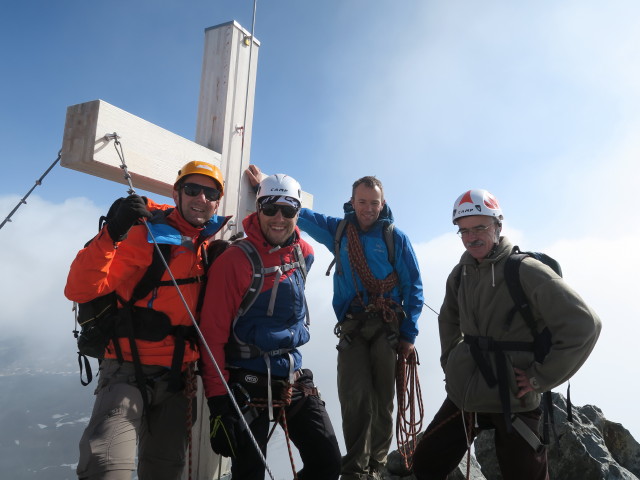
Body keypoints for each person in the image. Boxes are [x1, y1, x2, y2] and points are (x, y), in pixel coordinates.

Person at [244, 167, 422, 480]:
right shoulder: (339, 231)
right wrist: (269, 192)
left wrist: (409, 335)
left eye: (374, 202)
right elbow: (304, 215)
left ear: (383, 204)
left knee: (382, 399)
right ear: (352, 202)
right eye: (362, 201)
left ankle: (375, 467)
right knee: (354, 399)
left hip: (386, 326)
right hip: (353, 326)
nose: (368, 208)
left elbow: (414, 286)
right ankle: (355, 469)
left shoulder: (395, 237)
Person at [411, 189, 602, 480]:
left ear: (498, 226)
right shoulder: (460, 273)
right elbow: (449, 319)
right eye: (463, 231)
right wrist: (451, 362)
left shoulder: (525, 270)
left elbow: (585, 323)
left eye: (480, 228)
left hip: (514, 392)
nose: (471, 237)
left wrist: (542, 376)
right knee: (426, 462)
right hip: (468, 391)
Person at [64, 160, 230, 480]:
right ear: (176, 193)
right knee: (105, 466)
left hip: (179, 379)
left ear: (218, 200)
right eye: (192, 189)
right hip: (126, 370)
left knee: (166, 470)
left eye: (211, 192)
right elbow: (80, 289)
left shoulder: (210, 245)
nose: (201, 198)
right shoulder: (145, 231)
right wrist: (113, 231)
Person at [199, 173, 341, 480]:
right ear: (258, 209)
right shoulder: (234, 261)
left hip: (292, 376)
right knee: (249, 473)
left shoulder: (305, 253)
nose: (279, 217)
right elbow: (211, 334)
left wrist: (268, 181)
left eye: (289, 210)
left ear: (298, 214)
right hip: (247, 382)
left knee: (328, 462)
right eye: (270, 208)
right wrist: (219, 402)